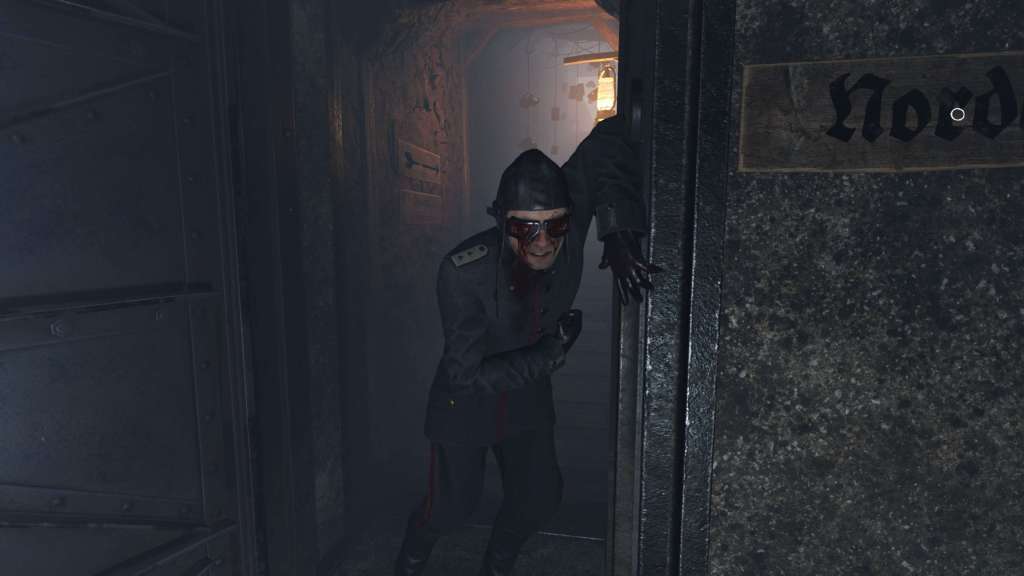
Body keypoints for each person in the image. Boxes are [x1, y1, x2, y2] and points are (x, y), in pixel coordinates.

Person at [394, 115, 659, 576]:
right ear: (502, 221)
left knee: (539, 498)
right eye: (525, 229)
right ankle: (410, 558)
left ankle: (497, 564)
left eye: (555, 227)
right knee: (451, 508)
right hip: (465, 406)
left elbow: (610, 138)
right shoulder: (464, 272)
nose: (542, 244)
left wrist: (619, 232)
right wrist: (550, 353)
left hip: (526, 402)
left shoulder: (566, 225)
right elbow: (465, 375)